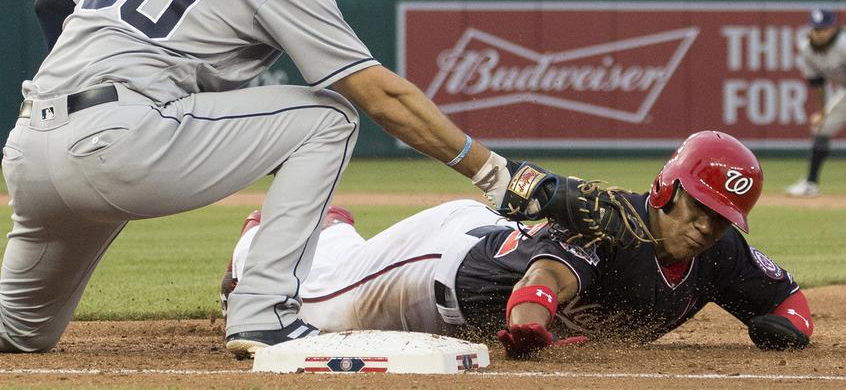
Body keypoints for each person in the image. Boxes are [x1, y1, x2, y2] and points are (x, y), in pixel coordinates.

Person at [0, 0, 627, 360]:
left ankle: (255, 305)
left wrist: (105, 89)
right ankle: (264, 314)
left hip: (34, 145)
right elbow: (380, 95)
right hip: (119, 141)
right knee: (327, 117)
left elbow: (52, 2)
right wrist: (492, 172)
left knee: (20, 325)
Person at [225, 131, 814, 355]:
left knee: (342, 265)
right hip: (440, 268)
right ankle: (255, 242)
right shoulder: (605, 226)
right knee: (318, 305)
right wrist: (532, 326)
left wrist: (787, 328)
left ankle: (336, 228)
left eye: (722, 216)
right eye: (700, 207)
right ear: (667, 189)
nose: (707, 226)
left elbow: (787, 298)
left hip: (477, 253)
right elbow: (540, 287)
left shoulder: (720, 252)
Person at [786, 9, 846, 198]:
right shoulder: (808, 49)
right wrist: (822, 112)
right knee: (821, 127)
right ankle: (811, 184)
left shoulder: (844, 44)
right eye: (815, 29)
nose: (818, 33)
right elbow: (818, 84)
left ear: (832, 29)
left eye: (823, 29)